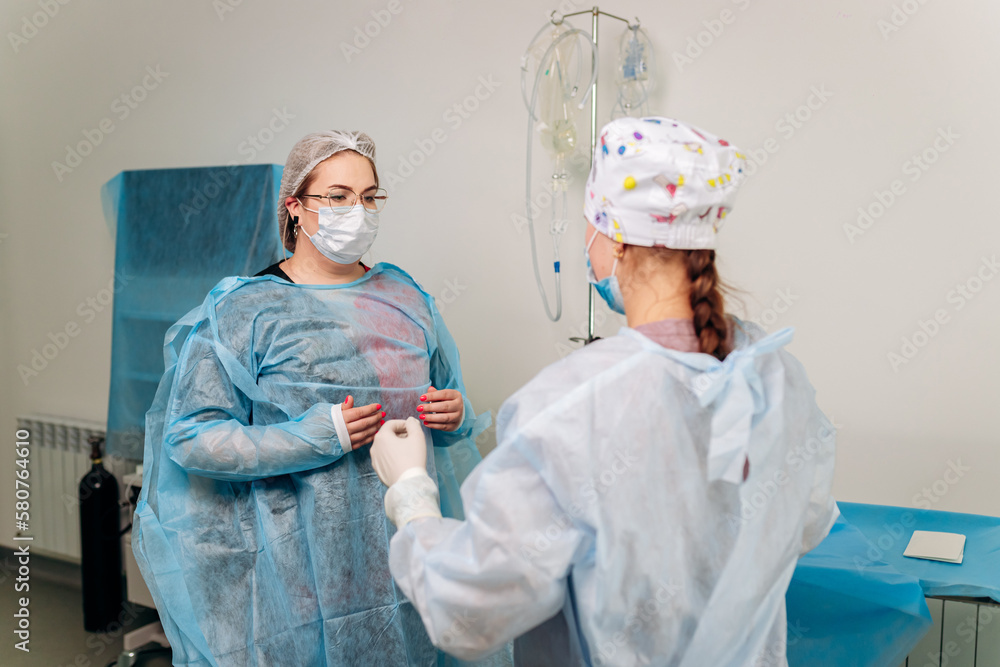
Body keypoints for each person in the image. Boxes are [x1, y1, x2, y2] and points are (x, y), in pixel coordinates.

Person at [368, 117, 839, 666]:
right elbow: (803, 520)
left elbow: (471, 612)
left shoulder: (573, 405)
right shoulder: (775, 373)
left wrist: (412, 493)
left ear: (614, 238)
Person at [132, 131, 508, 666]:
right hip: (297, 571)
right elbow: (191, 438)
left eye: (369, 196)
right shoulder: (246, 311)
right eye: (337, 196)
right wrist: (309, 437)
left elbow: (445, 402)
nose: (357, 210)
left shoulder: (405, 298)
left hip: (404, 552)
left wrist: (457, 415)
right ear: (295, 207)